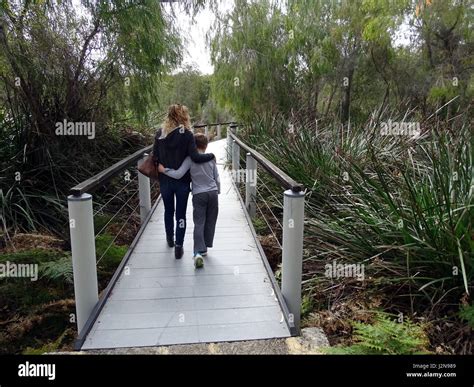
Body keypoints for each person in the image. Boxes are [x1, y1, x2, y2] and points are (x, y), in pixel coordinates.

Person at [152, 104, 214, 259]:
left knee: (168, 211)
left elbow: (154, 156)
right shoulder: (187, 135)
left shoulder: (160, 134)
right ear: (183, 116)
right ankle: (179, 246)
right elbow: (195, 157)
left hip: (165, 181)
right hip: (182, 183)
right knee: (180, 214)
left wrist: (162, 167)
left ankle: (169, 238)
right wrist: (211, 156)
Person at [158, 133, 220, 268]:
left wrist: (164, 170)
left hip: (199, 195)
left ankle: (197, 252)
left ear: (192, 145)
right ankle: (205, 248)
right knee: (211, 221)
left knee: (199, 223)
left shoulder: (190, 159)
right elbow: (217, 177)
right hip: (213, 193)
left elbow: (178, 174)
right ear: (206, 145)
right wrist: (218, 191)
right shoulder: (211, 159)